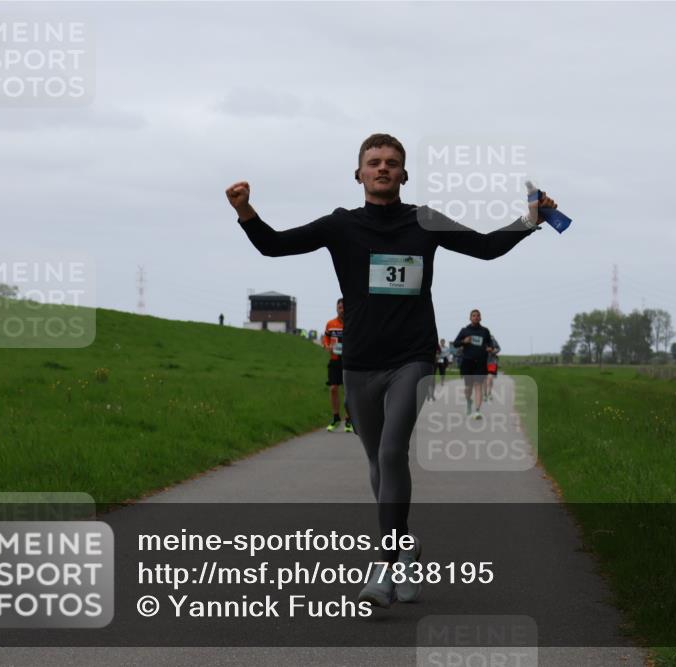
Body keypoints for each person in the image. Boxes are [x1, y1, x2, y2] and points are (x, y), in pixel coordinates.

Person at [226, 133, 557, 609]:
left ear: (404, 175)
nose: (383, 168)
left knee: (392, 449)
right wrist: (245, 211)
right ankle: (404, 550)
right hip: (359, 361)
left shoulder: (423, 221)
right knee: (376, 461)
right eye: (374, 162)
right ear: (358, 173)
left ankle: (382, 563)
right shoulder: (341, 226)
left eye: (393, 163)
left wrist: (531, 219)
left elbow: (485, 248)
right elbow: (274, 247)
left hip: (413, 358)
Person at [453, 309, 494, 419]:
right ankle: (468, 401)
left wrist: (490, 348)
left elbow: (490, 344)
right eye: (473, 315)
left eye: (478, 315)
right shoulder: (465, 330)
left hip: (480, 362)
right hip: (467, 362)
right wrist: (463, 342)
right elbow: (455, 343)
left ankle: (477, 411)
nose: (476, 317)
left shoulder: (485, 331)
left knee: (478, 385)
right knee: (468, 388)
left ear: (480, 318)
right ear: (470, 318)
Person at [323, 298, 353, 433]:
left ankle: (349, 420)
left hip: (349, 361)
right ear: (336, 308)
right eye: (340, 307)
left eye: (344, 307)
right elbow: (326, 337)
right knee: (334, 388)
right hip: (335, 360)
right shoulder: (330, 324)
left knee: (349, 390)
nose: (342, 310)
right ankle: (336, 418)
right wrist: (327, 345)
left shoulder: (353, 322)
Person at [485, 335, 501, 401]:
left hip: (492, 362)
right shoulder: (482, 341)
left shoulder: (493, 340)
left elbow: (499, 348)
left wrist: (493, 351)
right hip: (483, 362)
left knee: (490, 378)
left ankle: (489, 393)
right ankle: (485, 394)